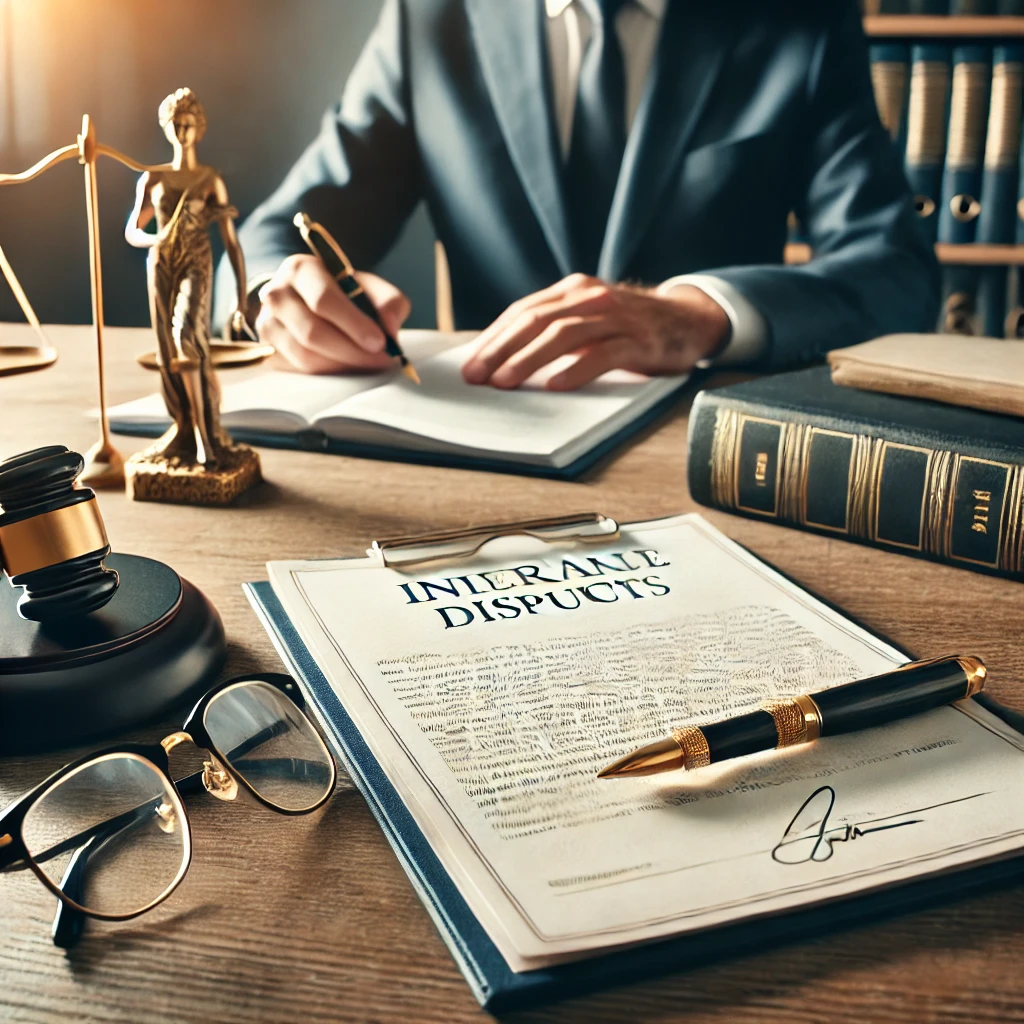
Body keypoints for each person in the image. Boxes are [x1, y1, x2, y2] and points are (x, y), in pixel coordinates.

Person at [217, 0, 939, 390]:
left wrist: (701, 316)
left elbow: (895, 271)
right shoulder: (430, 18)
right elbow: (276, 234)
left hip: (706, 453)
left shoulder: (800, 19)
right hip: (483, 446)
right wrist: (281, 297)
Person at [128, 88, 250, 464]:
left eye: (189, 124)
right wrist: (155, 238)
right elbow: (132, 229)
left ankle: (204, 436)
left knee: (186, 336)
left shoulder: (209, 179)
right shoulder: (152, 178)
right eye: (176, 124)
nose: (182, 131)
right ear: (167, 127)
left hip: (196, 263)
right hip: (162, 264)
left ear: (200, 128)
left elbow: (232, 243)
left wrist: (242, 298)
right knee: (167, 352)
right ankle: (182, 426)